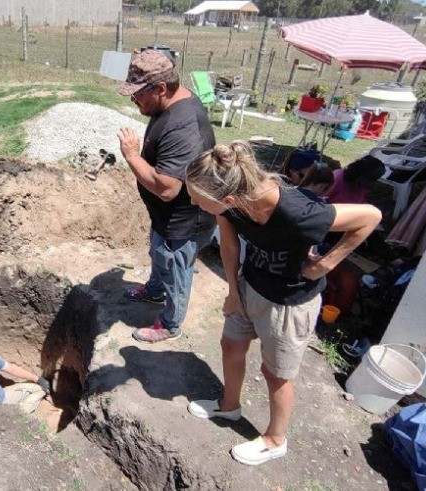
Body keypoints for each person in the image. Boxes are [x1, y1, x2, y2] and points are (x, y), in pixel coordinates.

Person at [183, 141, 381, 466]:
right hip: (250, 285)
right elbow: (230, 245)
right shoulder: (231, 201)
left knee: (275, 374)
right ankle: (229, 406)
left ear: (229, 200)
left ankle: (275, 440)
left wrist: (326, 265)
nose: (192, 202)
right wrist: (233, 289)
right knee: (231, 345)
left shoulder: (298, 212)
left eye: (196, 198)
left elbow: (371, 217)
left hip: (289, 303)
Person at [116, 49, 216, 343]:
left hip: (185, 221)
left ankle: (170, 324)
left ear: (160, 88)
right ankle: (154, 289)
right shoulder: (170, 103)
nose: (134, 100)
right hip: (166, 217)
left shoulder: (183, 127)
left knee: (176, 270)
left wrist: (133, 156)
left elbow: (167, 188)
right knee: (159, 254)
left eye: (137, 95)